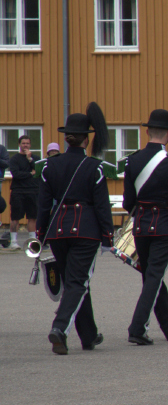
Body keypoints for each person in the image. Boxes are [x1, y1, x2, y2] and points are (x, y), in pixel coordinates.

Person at [37, 104, 113, 354]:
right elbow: (102, 206)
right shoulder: (94, 166)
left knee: (75, 281)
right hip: (86, 230)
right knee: (78, 282)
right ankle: (60, 328)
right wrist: (108, 236)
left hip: (58, 230)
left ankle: (89, 335)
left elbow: (43, 205)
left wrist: (41, 233)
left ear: (67, 138)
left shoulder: (50, 166)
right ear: (86, 138)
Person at [121, 101, 168, 345]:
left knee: (151, 276)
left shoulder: (132, 161)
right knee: (153, 277)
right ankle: (137, 327)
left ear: (148, 131)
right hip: (165, 226)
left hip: (141, 225)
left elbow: (128, 202)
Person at [5, 132, 40, 249]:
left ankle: (32, 241)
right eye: (23, 143)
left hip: (33, 190)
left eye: (27, 143)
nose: (25, 145)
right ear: (19, 144)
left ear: (30, 145)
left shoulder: (35, 158)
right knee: (15, 217)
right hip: (18, 191)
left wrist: (30, 159)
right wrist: (30, 174)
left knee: (32, 217)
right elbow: (16, 174)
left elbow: (38, 171)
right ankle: (13, 242)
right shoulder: (14, 159)